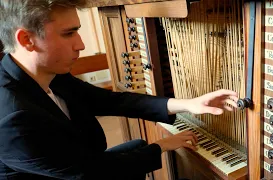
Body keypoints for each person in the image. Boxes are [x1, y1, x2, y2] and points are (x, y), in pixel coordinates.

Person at [0, 0, 239, 179]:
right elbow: (93, 174)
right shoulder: (13, 119)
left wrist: (188, 104)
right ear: (26, 40)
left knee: (138, 148)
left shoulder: (49, 73)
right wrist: (161, 145)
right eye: (68, 34)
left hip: (82, 163)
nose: (80, 45)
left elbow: (109, 101)